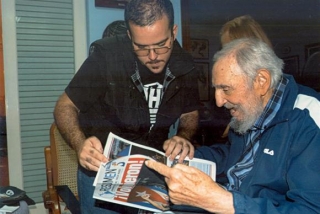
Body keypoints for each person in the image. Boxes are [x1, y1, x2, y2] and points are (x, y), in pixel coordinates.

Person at [53, 0, 199, 213]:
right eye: (142, 47)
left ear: (173, 32)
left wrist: (184, 136)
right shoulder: (105, 57)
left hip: (152, 169)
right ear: (130, 37)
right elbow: (64, 106)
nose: (153, 56)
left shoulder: (185, 64)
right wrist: (79, 143)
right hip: (101, 169)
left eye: (160, 45)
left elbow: (190, 111)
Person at [146, 38, 320, 213]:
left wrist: (223, 202)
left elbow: (311, 209)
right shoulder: (252, 109)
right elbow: (232, 156)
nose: (219, 101)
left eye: (226, 89)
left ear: (261, 81)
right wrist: (187, 156)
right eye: (216, 89)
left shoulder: (309, 117)